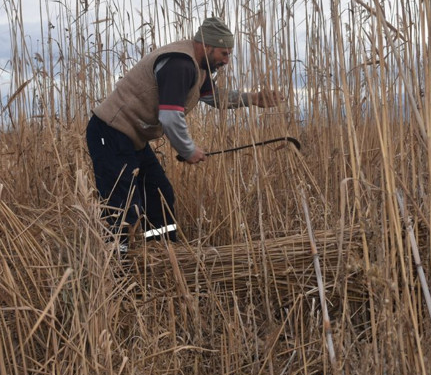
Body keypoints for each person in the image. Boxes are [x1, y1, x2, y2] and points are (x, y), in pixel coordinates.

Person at [86, 17, 283, 253]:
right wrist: (188, 150)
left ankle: (161, 254)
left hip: (132, 139)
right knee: (122, 207)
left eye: (229, 54)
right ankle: (117, 269)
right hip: (110, 133)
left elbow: (214, 97)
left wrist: (253, 99)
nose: (226, 61)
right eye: (223, 53)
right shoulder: (180, 64)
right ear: (206, 45)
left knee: (159, 195)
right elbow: (169, 116)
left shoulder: (199, 68)